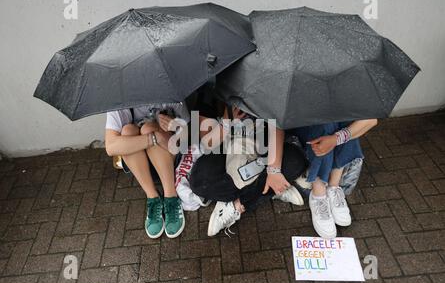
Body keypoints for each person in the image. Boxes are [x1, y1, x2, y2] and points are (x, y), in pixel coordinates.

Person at [189, 93, 308, 236]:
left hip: (264, 150)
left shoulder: (272, 89)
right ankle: (271, 190)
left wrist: (274, 170)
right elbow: (208, 144)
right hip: (229, 152)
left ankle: (233, 203)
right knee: (198, 181)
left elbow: (278, 127)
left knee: (295, 161)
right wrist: (226, 121)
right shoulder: (211, 91)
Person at [104, 104, 189, 239]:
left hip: (169, 159)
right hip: (141, 167)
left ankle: (171, 197)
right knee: (127, 131)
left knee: (148, 128)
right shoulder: (121, 97)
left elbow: (189, 134)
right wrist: (153, 138)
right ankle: (153, 198)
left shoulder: (169, 89)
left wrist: (175, 125)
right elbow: (111, 147)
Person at [292, 119, 378, 239]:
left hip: (334, 123)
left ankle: (333, 186)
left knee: (346, 116)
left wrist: (336, 139)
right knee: (324, 123)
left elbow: (371, 120)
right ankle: (318, 193)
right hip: (305, 125)